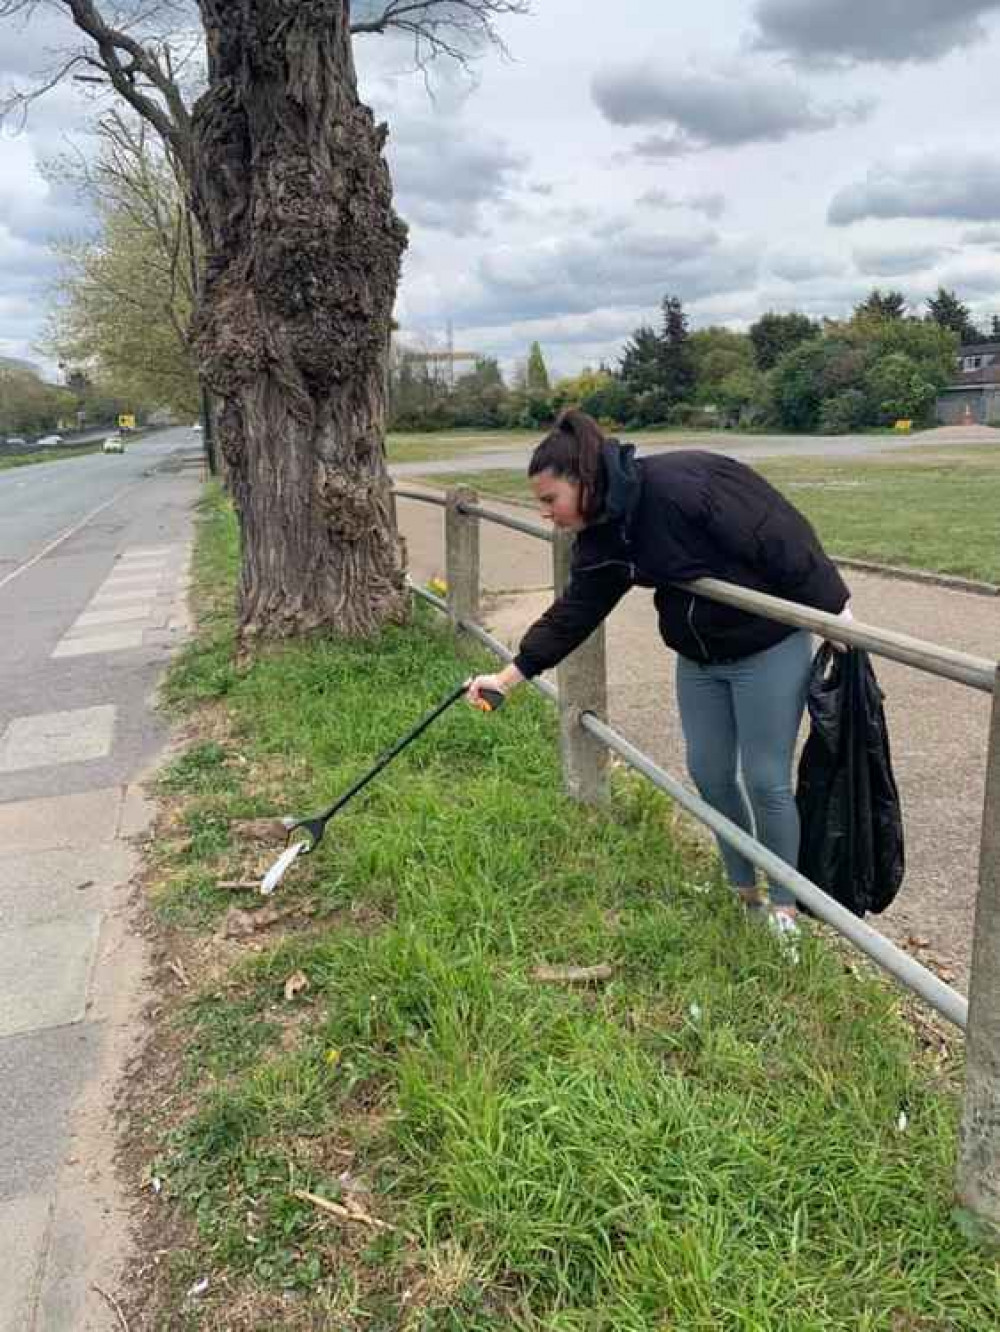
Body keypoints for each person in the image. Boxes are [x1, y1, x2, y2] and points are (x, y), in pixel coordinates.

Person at [467, 409, 853, 948]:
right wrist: (508, 678)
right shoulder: (603, 536)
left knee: (765, 779)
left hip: (767, 647)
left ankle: (785, 908)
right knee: (711, 775)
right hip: (698, 660)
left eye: (550, 499)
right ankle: (743, 895)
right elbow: (574, 612)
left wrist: (835, 613)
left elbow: (778, 532)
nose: (547, 513)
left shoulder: (679, 487)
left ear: (585, 480)